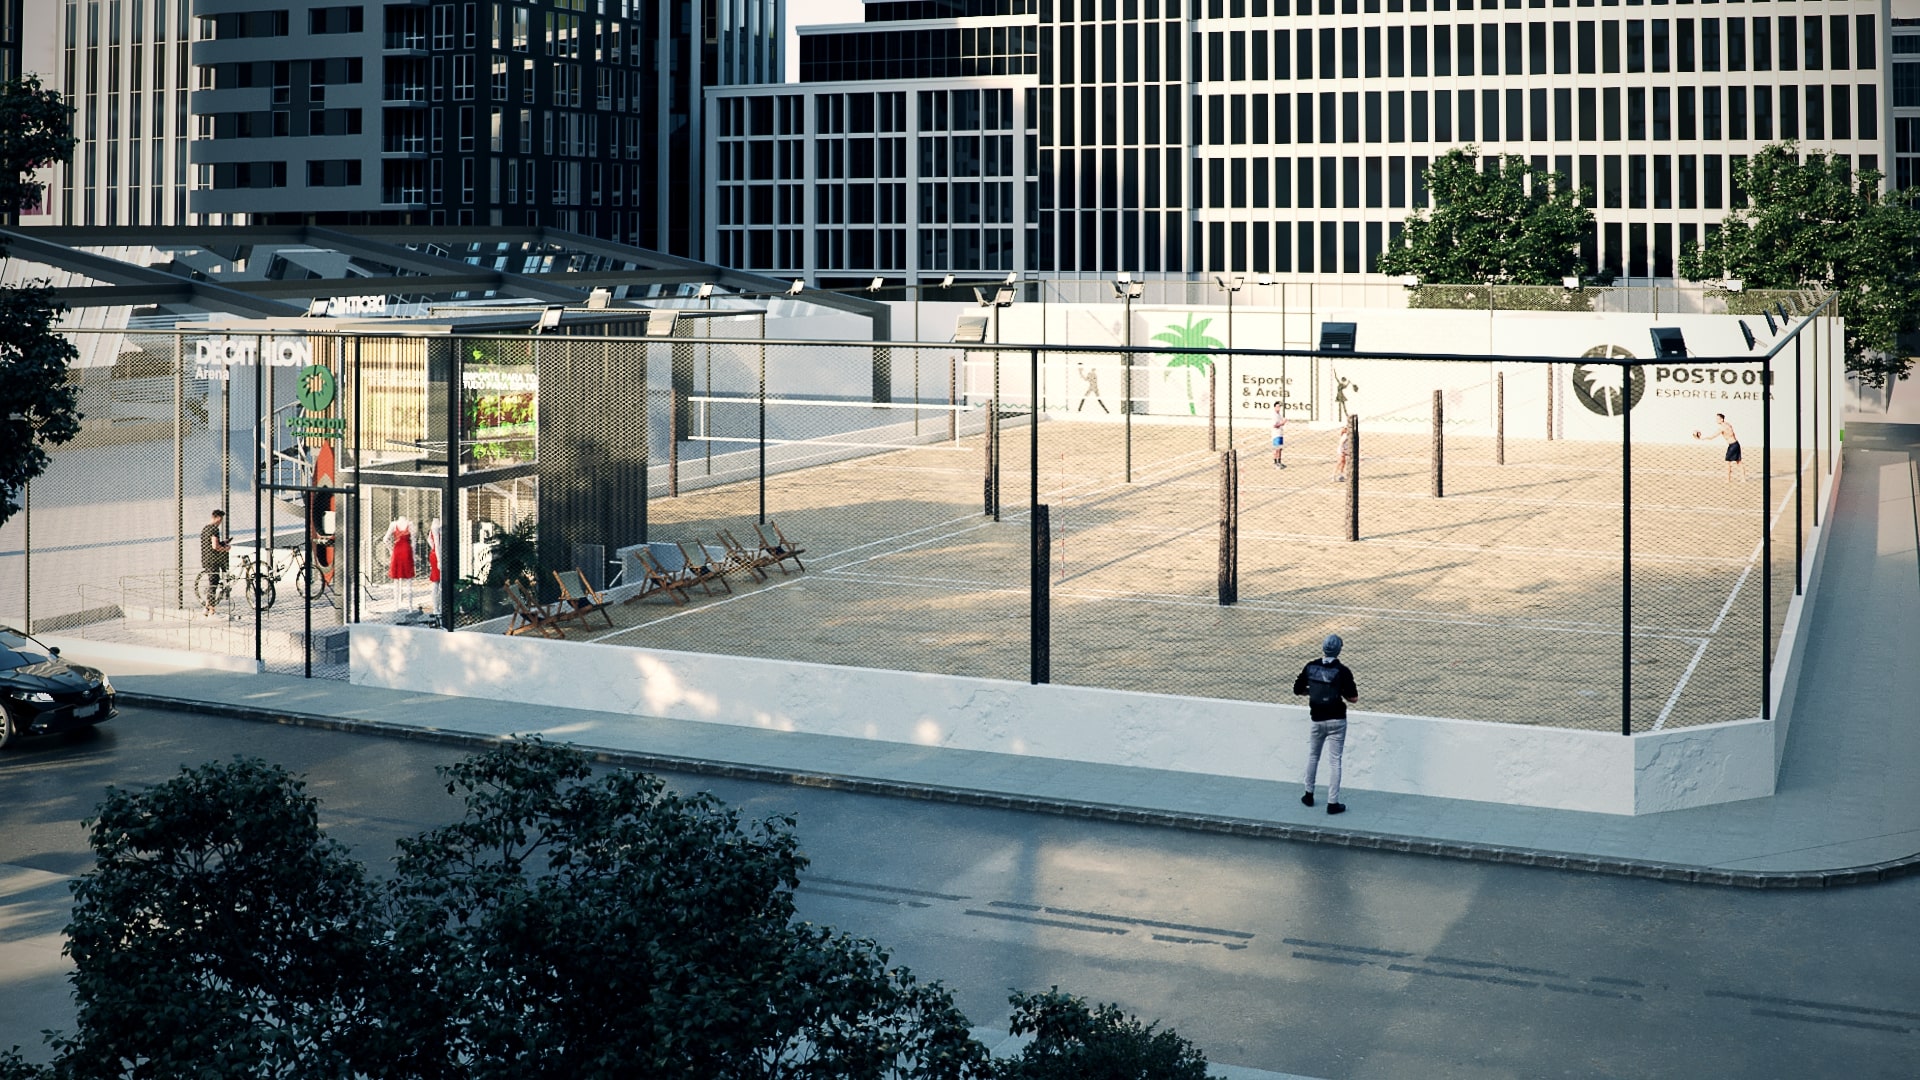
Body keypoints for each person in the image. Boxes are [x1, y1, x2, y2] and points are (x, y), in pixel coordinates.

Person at [1293, 633, 1360, 814]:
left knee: (1313, 756)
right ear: (1339, 650)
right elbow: (1353, 698)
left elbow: (1297, 689)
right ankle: (1333, 803)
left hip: (1317, 719)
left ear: (1323, 648)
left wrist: (1313, 692)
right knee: (1335, 761)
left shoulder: (1310, 666)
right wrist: (1339, 692)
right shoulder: (1343, 671)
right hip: (1337, 720)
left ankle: (1308, 794)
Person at [1693, 413, 1745, 482]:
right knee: (1739, 462)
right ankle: (1743, 479)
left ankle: (1728, 480)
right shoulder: (1728, 424)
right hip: (1736, 444)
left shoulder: (1722, 428)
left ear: (1722, 419)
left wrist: (1702, 438)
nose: (1716, 420)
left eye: (1717, 419)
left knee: (1728, 463)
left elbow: (1712, 437)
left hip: (1732, 446)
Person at [200, 509, 231, 616]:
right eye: (220, 519)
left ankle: (206, 608)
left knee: (213, 582)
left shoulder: (205, 528)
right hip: (213, 560)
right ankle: (212, 609)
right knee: (213, 584)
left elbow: (210, 544)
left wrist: (223, 543)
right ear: (217, 518)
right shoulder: (214, 529)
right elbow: (215, 546)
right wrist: (225, 548)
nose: (220, 522)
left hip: (206, 559)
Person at [1270, 401, 1288, 468]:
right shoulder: (1274, 415)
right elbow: (1275, 425)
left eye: (1279, 407)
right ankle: (1275, 462)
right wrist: (1282, 423)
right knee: (1276, 449)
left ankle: (1279, 462)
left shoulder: (1279, 415)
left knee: (1280, 448)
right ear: (1275, 407)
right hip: (1276, 434)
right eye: (1277, 406)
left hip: (1280, 433)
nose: (1278, 408)